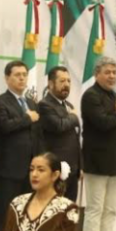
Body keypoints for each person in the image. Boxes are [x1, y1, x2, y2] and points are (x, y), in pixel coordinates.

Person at [80, 56, 116, 231]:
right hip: (97, 162)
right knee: (95, 207)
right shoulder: (90, 96)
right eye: (107, 72)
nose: (111, 76)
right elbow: (102, 123)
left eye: (114, 72)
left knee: (112, 208)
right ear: (96, 74)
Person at [0, 60, 42, 231]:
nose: (22, 78)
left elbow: (37, 134)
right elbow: (5, 127)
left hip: (30, 170)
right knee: (6, 216)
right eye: (17, 75)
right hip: (8, 169)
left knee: (27, 217)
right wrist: (27, 118)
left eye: (24, 75)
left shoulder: (32, 103)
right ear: (7, 78)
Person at [38, 66, 81, 202]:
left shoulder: (68, 105)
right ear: (51, 84)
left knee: (69, 214)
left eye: (68, 81)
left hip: (72, 171)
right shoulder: (45, 105)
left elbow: (75, 138)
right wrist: (74, 117)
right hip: (55, 170)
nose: (66, 85)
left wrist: (80, 166)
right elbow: (59, 126)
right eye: (62, 81)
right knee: (53, 213)